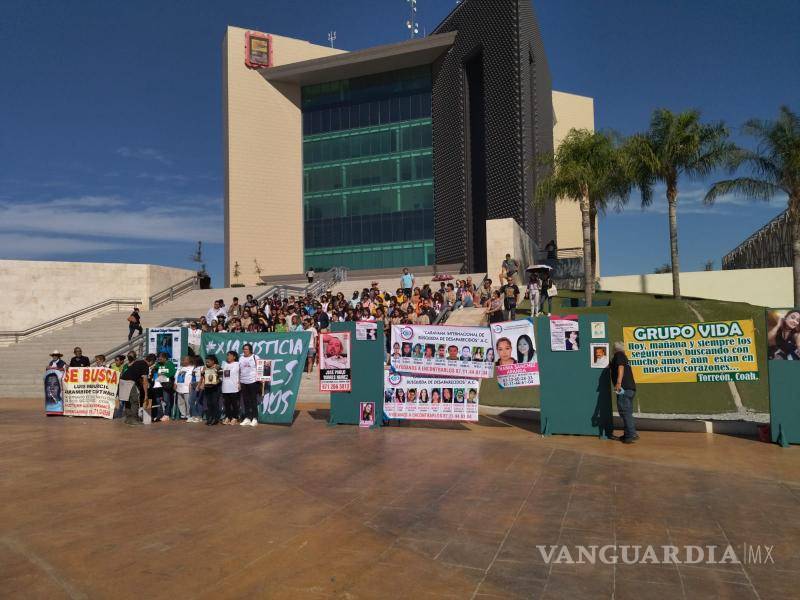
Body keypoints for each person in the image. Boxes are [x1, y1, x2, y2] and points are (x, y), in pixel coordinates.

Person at [610, 342, 638, 444]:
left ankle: (630, 435)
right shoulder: (624, 357)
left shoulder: (619, 355)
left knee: (625, 412)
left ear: (615, 349)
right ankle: (628, 434)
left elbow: (620, 368)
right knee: (627, 413)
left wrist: (618, 383)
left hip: (624, 389)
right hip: (630, 389)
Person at [120, 352, 153, 426]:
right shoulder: (145, 366)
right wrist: (146, 395)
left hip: (122, 381)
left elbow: (136, 374)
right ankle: (134, 420)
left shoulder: (138, 362)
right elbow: (145, 381)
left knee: (127, 400)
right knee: (134, 401)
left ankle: (128, 419)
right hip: (129, 382)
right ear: (151, 361)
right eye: (152, 363)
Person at [238, 344, 259, 427]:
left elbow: (261, 368)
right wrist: (239, 382)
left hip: (253, 381)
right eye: (244, 349)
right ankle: (247, 418)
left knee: (253, 401)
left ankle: (255, 418)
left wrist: (261, 379)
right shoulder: (241, 358)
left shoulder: (255, 357)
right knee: (245, 401)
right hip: (243, 382)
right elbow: (239, 370)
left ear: (250, 350)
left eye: (246, 349)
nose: (244, 350)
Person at [151, 352, 176, 422]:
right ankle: (160, 414)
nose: (159, 360)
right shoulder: (158, 364)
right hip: (158, 384)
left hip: (166, 385)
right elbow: (154, 370)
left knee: (166, 399)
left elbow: (173, 373)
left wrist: (163, 375)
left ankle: (167, 415)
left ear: (165, 358)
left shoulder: (170, 364)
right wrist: (153, 370)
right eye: (158, 358)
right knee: (158, 400)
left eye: (160, 358)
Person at [199, 355, 222, 426]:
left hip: (215, 388)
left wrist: (216, 382)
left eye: (208, 361)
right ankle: (210, 418)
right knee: (209, 403)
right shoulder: (205, 367)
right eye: (206, 361)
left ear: (213, 361)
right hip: (207, 387)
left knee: (214, 403)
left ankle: (215, 419)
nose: (207, 363)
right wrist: (203, 372)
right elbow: (202, 376)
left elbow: (221, 377)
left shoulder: (218, 367)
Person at [221, 351, 240, 424]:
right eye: (227, 355)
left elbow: (240, 374)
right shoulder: (224, 364)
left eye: (230, 355)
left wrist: (239, 383)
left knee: (234, 404)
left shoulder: (237, 364)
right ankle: (228, 417)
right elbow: (220, 374)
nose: (228, 357)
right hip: (225, 387)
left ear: (234, 357)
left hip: (234, 387)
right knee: (227, 404)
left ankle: (235, 417)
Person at [174, 356, 194, 421]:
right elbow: (176, 376)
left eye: (184, 360)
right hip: (179, 388)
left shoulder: (192, 368)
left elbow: (193, 378)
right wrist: (175, 383)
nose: (182, 361)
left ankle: (189, 415)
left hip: (187, 389)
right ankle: (183, 415)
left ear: (189, 361)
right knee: (181, 403)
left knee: (188, 403)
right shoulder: (180, 368)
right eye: (182, 360)